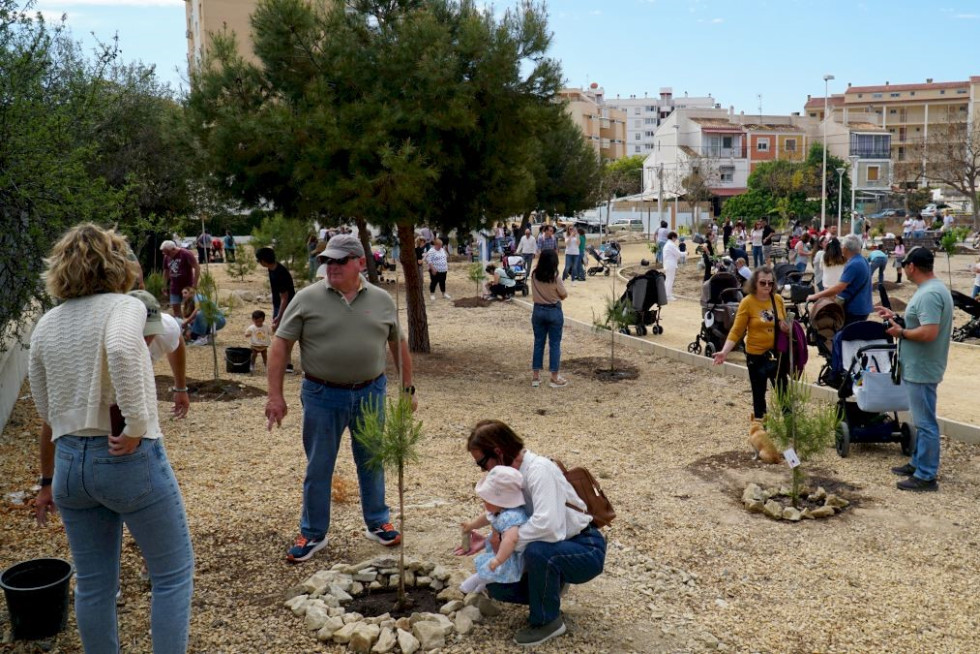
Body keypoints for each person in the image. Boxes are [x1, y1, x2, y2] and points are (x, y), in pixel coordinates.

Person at [30, 224, 194, 653]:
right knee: (172, 574)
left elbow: (41, 395)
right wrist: (137, 423)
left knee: (94, 584)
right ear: (117, 263)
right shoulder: (125, 307)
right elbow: (123, 349)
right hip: (123, 458)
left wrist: (60, 425)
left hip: (69, 465)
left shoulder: (49, 321)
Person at [265, 234, 415, 563]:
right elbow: (280, 346)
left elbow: (397, 344)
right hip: (321, 394)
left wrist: (407, 389)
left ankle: (377, 521)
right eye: (327, 261)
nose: (331, 267)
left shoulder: (382, 300)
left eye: (339, 261)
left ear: (360, 263)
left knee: (372, 459)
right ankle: (313, 533)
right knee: (319, 466)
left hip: (370, 392)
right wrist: (275, 395)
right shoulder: (306, 299)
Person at [457, 420, 605, 647]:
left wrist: (504, 543)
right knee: (498, 587)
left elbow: (548, 526)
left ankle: (548, 621)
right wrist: (491, 539)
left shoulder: (539, 470)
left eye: (482, 463)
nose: (484, 470)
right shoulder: (511, 474)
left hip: (584, 546)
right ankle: (550, 586)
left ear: (498, 451)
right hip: (558, 544)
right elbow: (506, 513)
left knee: (539, 551)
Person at [876, 247, 953, 492]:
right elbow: (922, 323)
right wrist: (897, 318)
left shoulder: (930, 294)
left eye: (904, 264)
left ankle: (926, 475)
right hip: (920, 365)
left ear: (912, 267)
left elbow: (929, 332)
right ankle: (918, 462)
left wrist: (902, 332)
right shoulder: (932, 290)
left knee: (925, 422)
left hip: (922, 367)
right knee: (921, 419)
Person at [713, 266, 791, 420]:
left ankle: (790, 429)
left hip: (777, 355)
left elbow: (784, 321)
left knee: (784, 393)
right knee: (759, 395)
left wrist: (785, 327)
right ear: (755, 283)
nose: (767, 286)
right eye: (763, 283)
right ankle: (761, 429)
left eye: (770, 283)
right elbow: (737, 330)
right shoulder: (747, 302)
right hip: (757, 357)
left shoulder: (778, 299)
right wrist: (725, 351)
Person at [458, 466, 529, 594]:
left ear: (502, 500)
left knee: (488, 572)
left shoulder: (512, 516)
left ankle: (465, 588)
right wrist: (471, 525)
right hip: (499, 552)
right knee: (489, 571)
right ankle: (480, 588)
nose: (485, 504)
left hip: (508, 557)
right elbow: (486, 518)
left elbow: (511, 539)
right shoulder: (499, 511)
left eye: (488, 501)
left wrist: (499, 559)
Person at [806, 234, 872, 326]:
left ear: (845, 248)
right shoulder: (863, 260)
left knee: (845, 336)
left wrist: (816, 296)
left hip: (854, 309)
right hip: (863, 306)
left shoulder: (853, 264)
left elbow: (839, 287)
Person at [529, 249, 567, 388]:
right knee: (555, 344)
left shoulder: (534, 275)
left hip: (538, 310)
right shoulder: (555, 277)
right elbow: (563, 294)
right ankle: (554, 377)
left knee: (538, 343)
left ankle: (536, 377)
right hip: (553, 311)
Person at [160, 239, 199, 318]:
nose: (165, 254)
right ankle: (180, 326)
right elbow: (166, 271)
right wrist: (164, 285)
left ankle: (191, 326)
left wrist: (194, 284)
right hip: (174, 286)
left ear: (173, 249)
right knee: (176, 310)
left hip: (187, 286)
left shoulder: (186, 254)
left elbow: (197, 267)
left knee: (190, 309)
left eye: (166, 252)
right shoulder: (166, 257)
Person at [662, 231, 681, 302]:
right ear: (673, 237)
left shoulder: (667, 244)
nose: (676, 239)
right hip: (671, 264)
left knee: (668, 280)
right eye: (675, 238)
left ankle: (666, 294)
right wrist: (685, 253)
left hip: (668, 264)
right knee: (670, 280)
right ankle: (668, 295)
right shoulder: (671, 245)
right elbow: (678, 254)